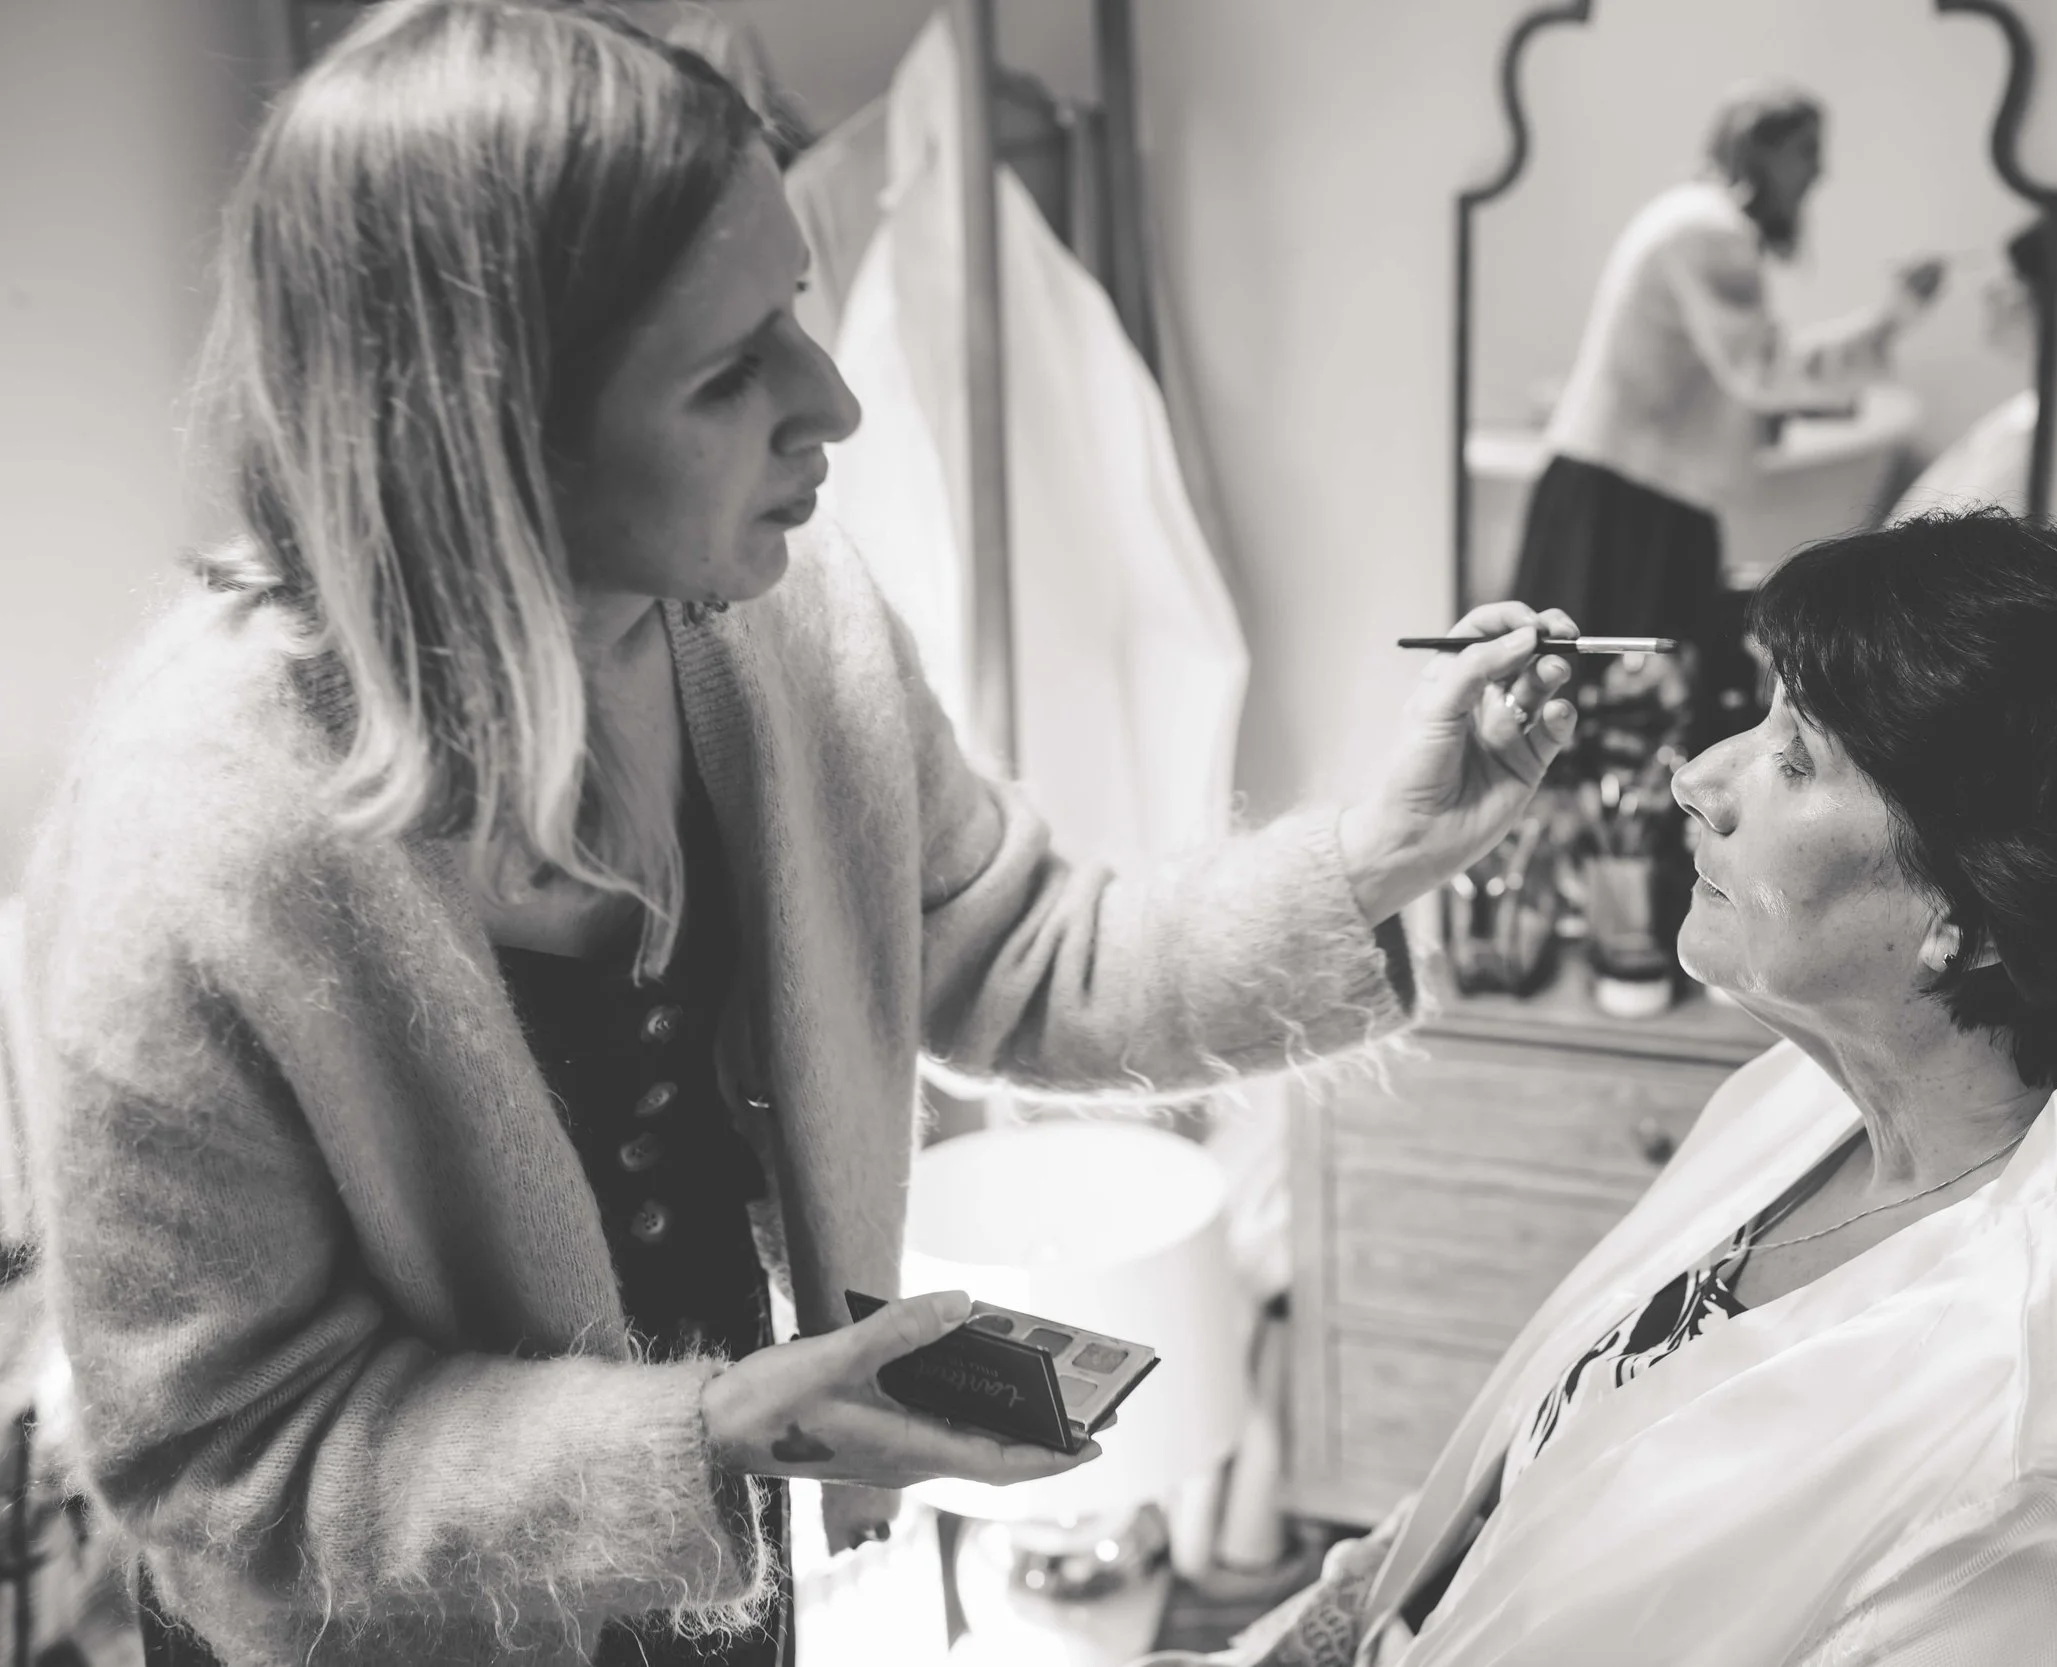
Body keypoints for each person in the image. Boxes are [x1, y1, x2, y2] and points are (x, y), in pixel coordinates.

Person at [12, 4, 1585, 1664]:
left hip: (715, 1572)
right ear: (482, 436)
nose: (830, 400)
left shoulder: (785, 622)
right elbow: (225, 1460)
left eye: (797, 311)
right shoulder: (186, 855)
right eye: (725, 370)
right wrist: (705, 1437)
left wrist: (1381, 852)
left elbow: (1025, 950)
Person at [1148, 511, 2057, 1666]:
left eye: (1795, 757)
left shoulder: (2051, 1515)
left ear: (1971, 916)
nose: (1693, 776)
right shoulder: (1829, 1083)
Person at [1511, 82, 1944, 736]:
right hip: (1630, 500)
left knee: (1601, 708)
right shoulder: (1709, 231)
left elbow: (1732, 372)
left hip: (1629, 488)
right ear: (1760, 150)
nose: (1821, 172)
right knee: (1621, 714)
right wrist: (1893, 317)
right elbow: (1763, 372)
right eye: (1807, 151)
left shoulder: (1692, 218)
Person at [1888, 219, 2054, 521]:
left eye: (2015, 275)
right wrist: (1896, 316)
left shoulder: (2026, 435)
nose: (1991, 290)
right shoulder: (2021, 421)